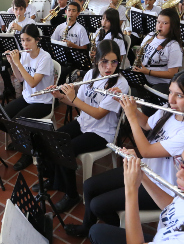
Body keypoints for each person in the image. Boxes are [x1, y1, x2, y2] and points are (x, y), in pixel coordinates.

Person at [64, 67, 184, 238]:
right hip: (143, 169)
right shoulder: (171, 110)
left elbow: (146, 150)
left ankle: (122, 234)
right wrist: (126, 104)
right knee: (90, 186)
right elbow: (147, 124)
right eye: (170, 92)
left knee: (98, 205)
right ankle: (88, 227)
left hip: (159, 186)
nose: (170, 99)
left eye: (179, 95)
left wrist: (130, 116)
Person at [39, 40, 129, 212]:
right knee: (53, 138)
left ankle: (72, 195)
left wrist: (72, 98)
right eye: (104, 61)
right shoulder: (90, 75)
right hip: (84, 123)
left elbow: (98, 113)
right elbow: (77, 103)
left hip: (102, 133)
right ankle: (54, 178)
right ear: (96, 60)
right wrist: (59, 96)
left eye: (114, 62)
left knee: (67, 148)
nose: (109, 66)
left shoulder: (119, 84)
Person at [0, 24, 55, 171]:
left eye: (28, 40)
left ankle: (27, 152)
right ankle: (21, 139)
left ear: (37, 40)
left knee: (17, 123)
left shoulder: (45, 58)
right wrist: (12, 63)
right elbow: (20, 79)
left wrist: (18, 62)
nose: (25, 44)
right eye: (22, 40)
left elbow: (33, 82)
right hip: (28, 97)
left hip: (42, 101)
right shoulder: (25, 54)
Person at [132, 8, 183, 102]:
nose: (160, 25)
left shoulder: (173, 46)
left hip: (160, 83)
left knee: (148, 104)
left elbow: (173, 74)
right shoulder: (150, 36)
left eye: (165, 23)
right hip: (144, 77)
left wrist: (148, 72)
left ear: (173, 26)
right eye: (158, 22)